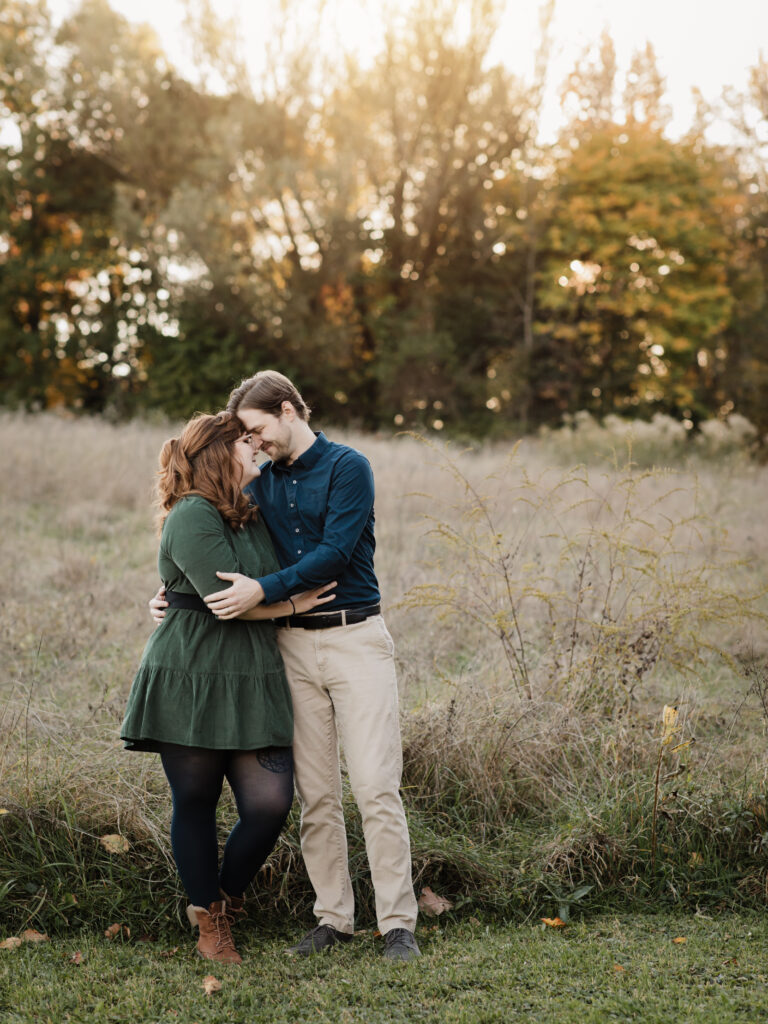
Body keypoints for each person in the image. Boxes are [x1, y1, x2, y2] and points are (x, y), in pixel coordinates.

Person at [151, 372, 421, 962]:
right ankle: (333, 920)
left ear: (287, 409)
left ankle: (397, 924)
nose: (254, 442)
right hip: (287, 648)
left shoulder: (349, 467)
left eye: (257, 429)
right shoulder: (258, 485)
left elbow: (334, 554)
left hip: (355, 638)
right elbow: (211, 543)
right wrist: (175, 598)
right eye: (245, 436)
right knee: (316, 795)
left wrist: (262, 592)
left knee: (376, 786)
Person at [123, 411, 335, 965]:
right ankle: (207, 917)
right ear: (221, 453)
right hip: (191, 668)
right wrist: (290, 603)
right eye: (247, 442)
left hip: (254, 670)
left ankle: (226, 898)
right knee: (194, 798)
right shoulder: (192, 512)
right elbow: (225, 600)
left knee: (269, 803)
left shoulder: (252, 510)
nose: (257, 449)